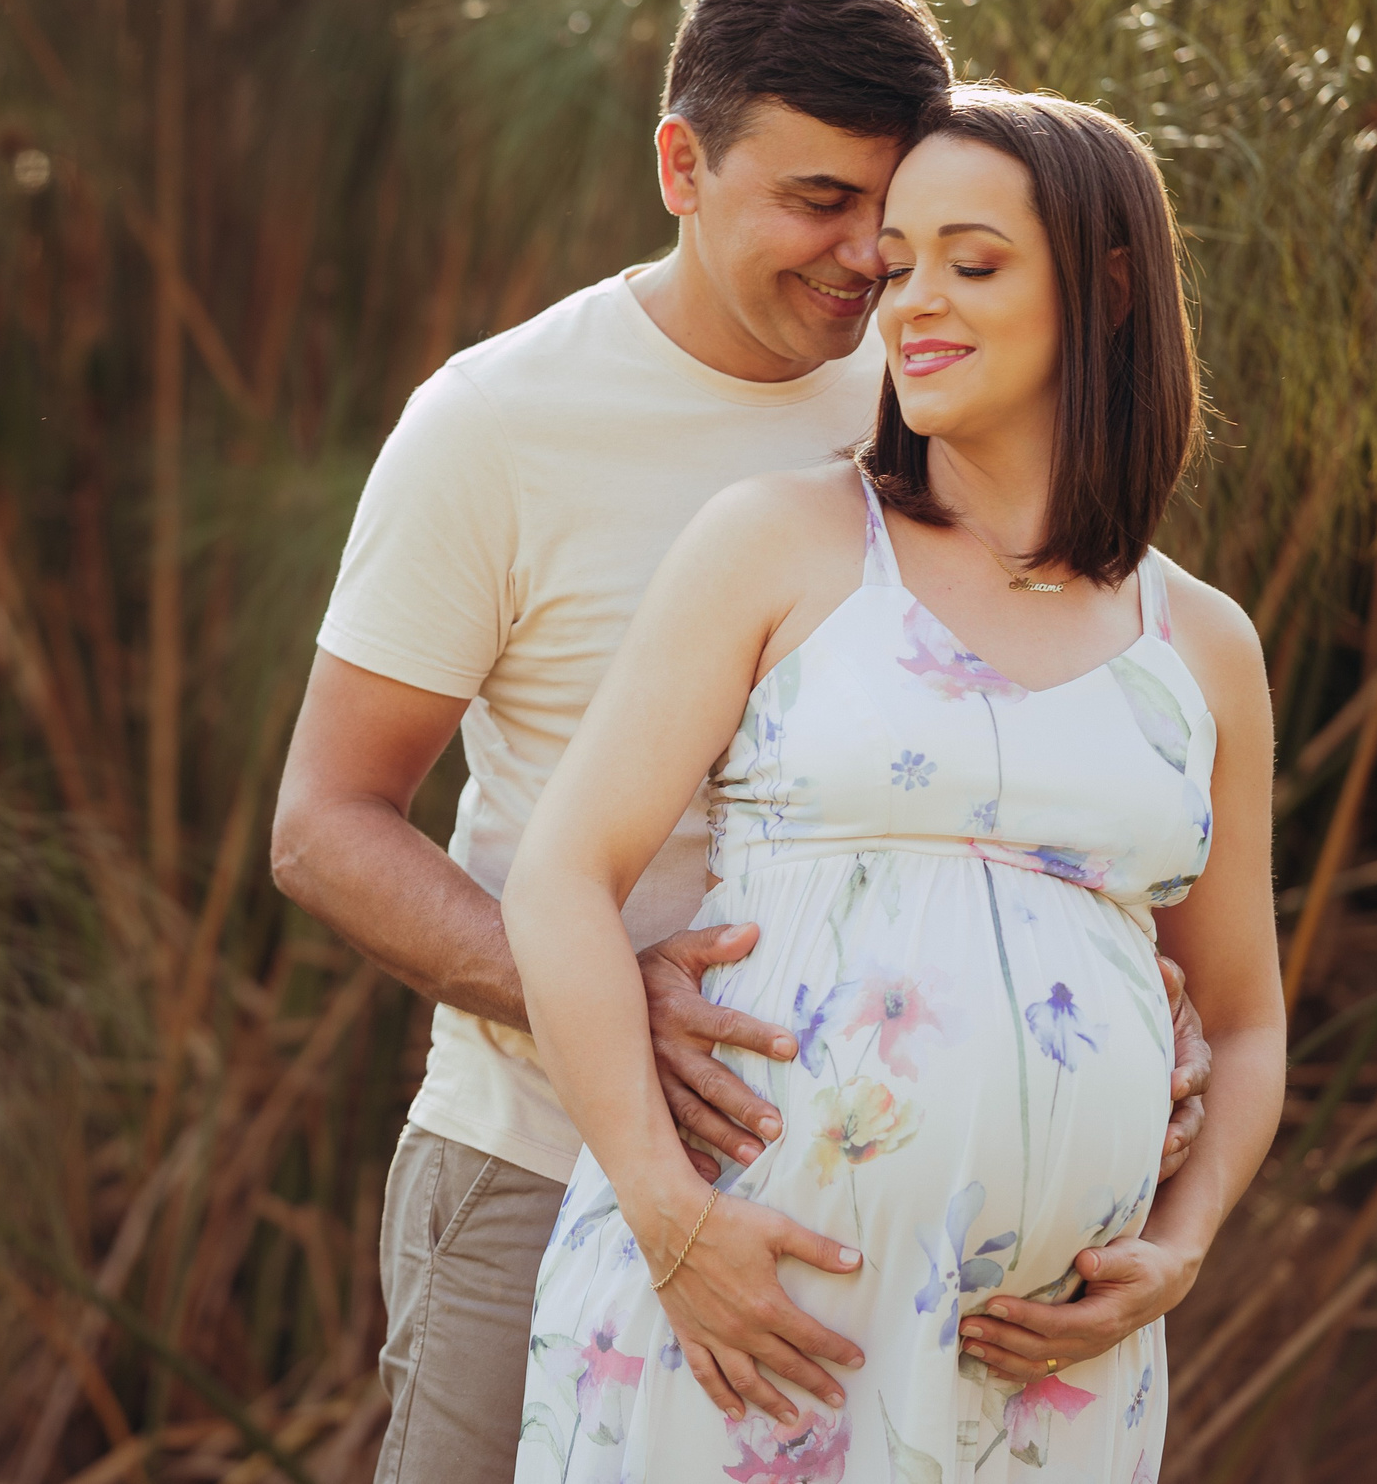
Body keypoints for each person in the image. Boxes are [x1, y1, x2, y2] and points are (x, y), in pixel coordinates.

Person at [271, 0, 1212, 1484]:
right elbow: (323, 823)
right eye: (821, 203)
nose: (868, 262)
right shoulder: (499, 424)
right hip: (537, 1162)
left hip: (894, 1245)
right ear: (680, 166)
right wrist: (594, 989)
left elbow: (1086, 719)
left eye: (897, 214)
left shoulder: (947, 379)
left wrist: (1123, 991)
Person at [502, 86, 1287, 1480]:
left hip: (1041, 1380)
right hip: (743, 1317)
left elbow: (1244, 1016)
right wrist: (671, 1215)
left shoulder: (1204, 647)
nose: (909, 299)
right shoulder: (784, 542)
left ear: (1108, 291)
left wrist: (1182, 1242)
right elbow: (562, 880)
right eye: (900, 259)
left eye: (971, 263)